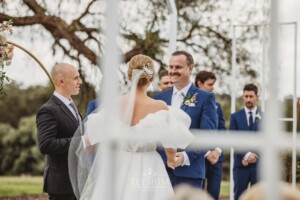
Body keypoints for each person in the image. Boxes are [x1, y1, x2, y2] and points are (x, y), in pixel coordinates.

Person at [68, 54, 194, 200]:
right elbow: (170, 144)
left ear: (129, 77)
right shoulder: (159, 106)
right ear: (151, 79)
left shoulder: (114, 104)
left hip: (118, 164)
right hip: (150, 163)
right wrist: (172, 159)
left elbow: (91, 138)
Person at [154, 50, 218, 188]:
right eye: (171, 67)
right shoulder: (159, 99)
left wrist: (184, 157)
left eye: (178, 67)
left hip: (190, 173)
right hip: (161, 171)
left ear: (190, 68)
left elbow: (208, 135)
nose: (172, 71)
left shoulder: (205, 98)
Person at [36, 63, 82, 200]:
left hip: (78, 183)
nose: (80, 82)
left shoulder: (72, 106)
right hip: (62, 185)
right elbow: (46, 144)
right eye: (76, 78)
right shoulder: (48, 110)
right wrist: (82, 142)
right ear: (61, 81)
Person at [195, 70, 225, 200]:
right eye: (210, 84)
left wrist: (217, 151)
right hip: (198, 157)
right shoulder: (191, 104)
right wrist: (207, 152)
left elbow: (222, 130)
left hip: (216, 159)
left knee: (214, 194)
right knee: (197, 195)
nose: (213, 88)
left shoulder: (217, 105)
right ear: (199, 84)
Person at [229, 83, 261, 200]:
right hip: (241, 165)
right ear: (243, 97)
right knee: (239, 196)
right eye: (246, 96)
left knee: (259, 197)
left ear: (257, 97)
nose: (248, 99)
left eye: (251, 96)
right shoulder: (235, 117)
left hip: (259, 166)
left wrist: (254, 155)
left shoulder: (265, 117)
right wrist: (247, 155)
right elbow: (233, 139)